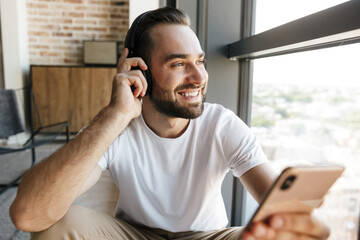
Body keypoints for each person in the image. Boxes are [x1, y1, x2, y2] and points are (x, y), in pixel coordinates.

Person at [10, 7, 330, 240]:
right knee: (53, 226)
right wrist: (114, 115)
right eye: (178, 63)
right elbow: (27, 215)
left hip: (207, 236)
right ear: (141, 71)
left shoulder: (222, 124)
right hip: (136, 234)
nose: (199, 77)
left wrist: (295, 211)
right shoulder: (114, 127)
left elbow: (278, 204)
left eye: (199, 61)